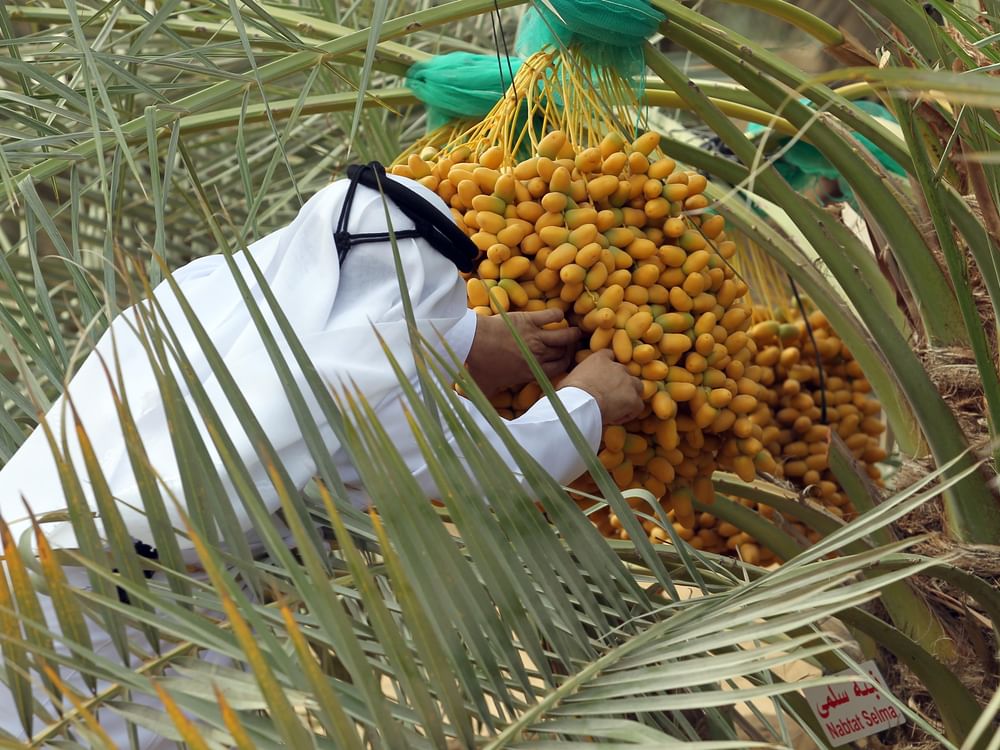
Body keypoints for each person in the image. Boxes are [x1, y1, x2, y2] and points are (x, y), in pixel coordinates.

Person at [0, 162, 643, 745]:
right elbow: (506, 469)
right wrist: (588, 401)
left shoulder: (204, 294)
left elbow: (347, 321)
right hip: (96, 616)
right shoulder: (355, 386)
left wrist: (461, 341)